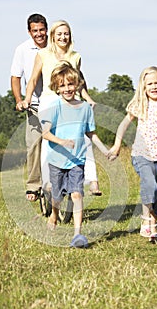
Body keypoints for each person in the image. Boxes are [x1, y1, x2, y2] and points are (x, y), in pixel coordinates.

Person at [107, 66, 157, 242]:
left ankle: (153, 221)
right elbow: (123, 125)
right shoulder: (140, 105)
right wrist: (117, 145)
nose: (153, 86)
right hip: (141, 154)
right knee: (150, 184)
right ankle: (146, 221)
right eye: (149, 84)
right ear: (143, 87)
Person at [22, 20, 102, 196]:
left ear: (70, 36)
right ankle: (48, 182)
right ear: (53, 36)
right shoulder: (43, 54)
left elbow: (79, 82)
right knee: (47, 141)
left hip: (72, 101)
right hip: (49, 100)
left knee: (84, 138)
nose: (63, 37)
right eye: (59, 34)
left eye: (66, 33)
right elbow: (33, 79)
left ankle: (92, 180)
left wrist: (88, 98)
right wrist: (27, 99)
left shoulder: (75, 56)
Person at [40, 62, 108, 248]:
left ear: (77, 84)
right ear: (57, 87)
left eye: (70, 84)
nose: (67, 89)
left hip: (77, 161)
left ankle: (77, 234)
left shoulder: (85, 108)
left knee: (77, 194)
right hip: (57, 160)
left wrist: (105, 150)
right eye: (62, 85)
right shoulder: (55, 107)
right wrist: (62, 142)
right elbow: (45, 133)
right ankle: (54, 214)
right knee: (57, 196)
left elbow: (91, 133)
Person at [10, 13, 48, 201]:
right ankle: (34, 185)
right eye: (35, 31)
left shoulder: (55, 45)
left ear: (47, 29)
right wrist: (19, 100)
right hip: (33, 105)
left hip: (56, 102)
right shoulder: (22, 49)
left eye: (42, 30)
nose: (39, 34)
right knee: (33, 144)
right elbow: (16, 77)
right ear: (29, 32)